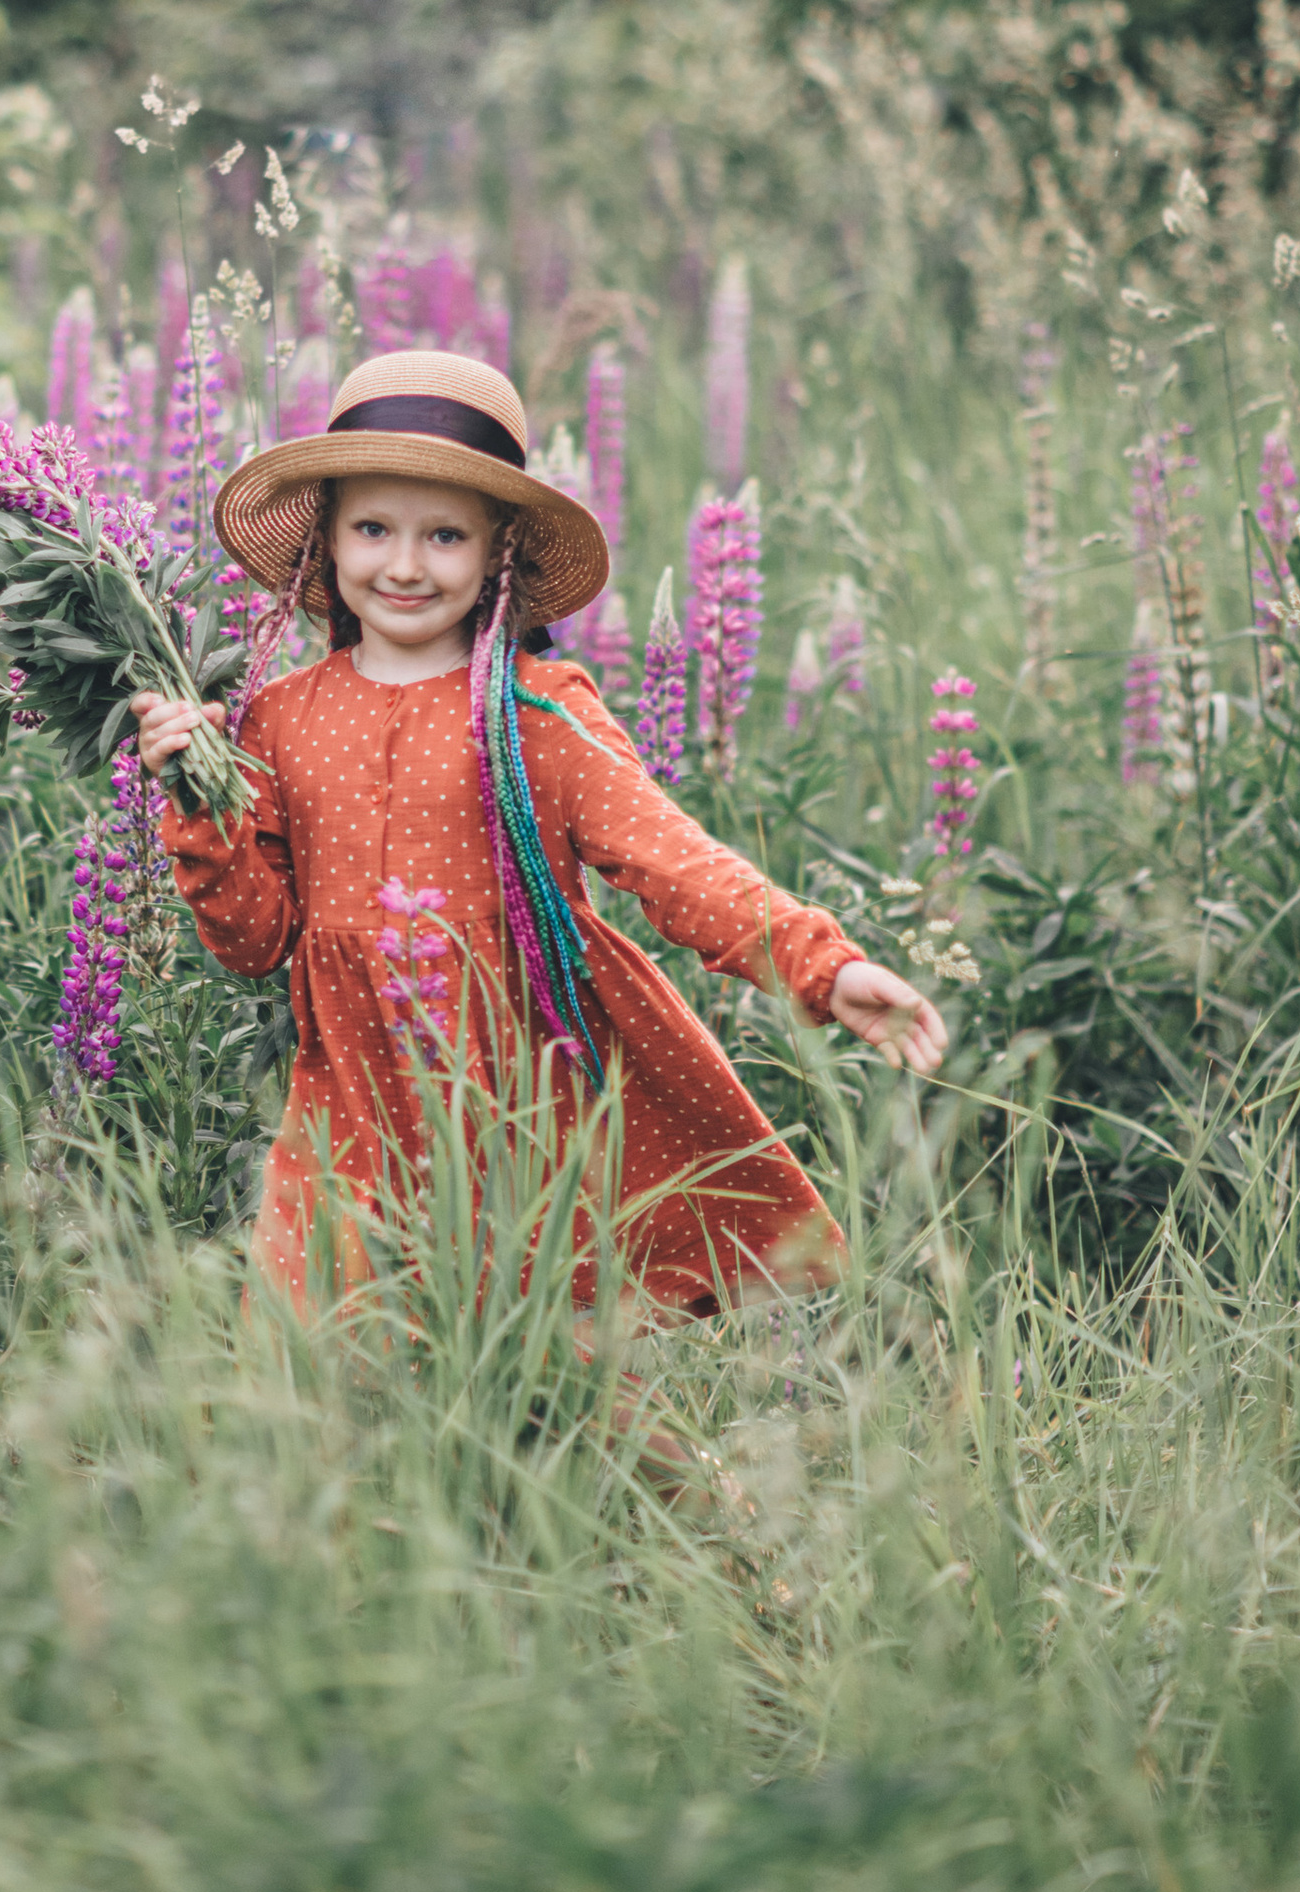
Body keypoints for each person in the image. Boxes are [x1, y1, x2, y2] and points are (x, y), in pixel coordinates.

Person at [131, 345, 947, 1313]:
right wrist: (199, 799)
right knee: (318, 1371)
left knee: (541, 1377)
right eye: (372, 528)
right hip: (346, 1110)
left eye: (443, 537)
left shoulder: (537, 712)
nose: (402, 564)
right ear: (326, 540)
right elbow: (254, 939)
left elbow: (673, 863)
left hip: (515, 1105)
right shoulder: (277, 720)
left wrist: (823, 966)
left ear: (498, 554)